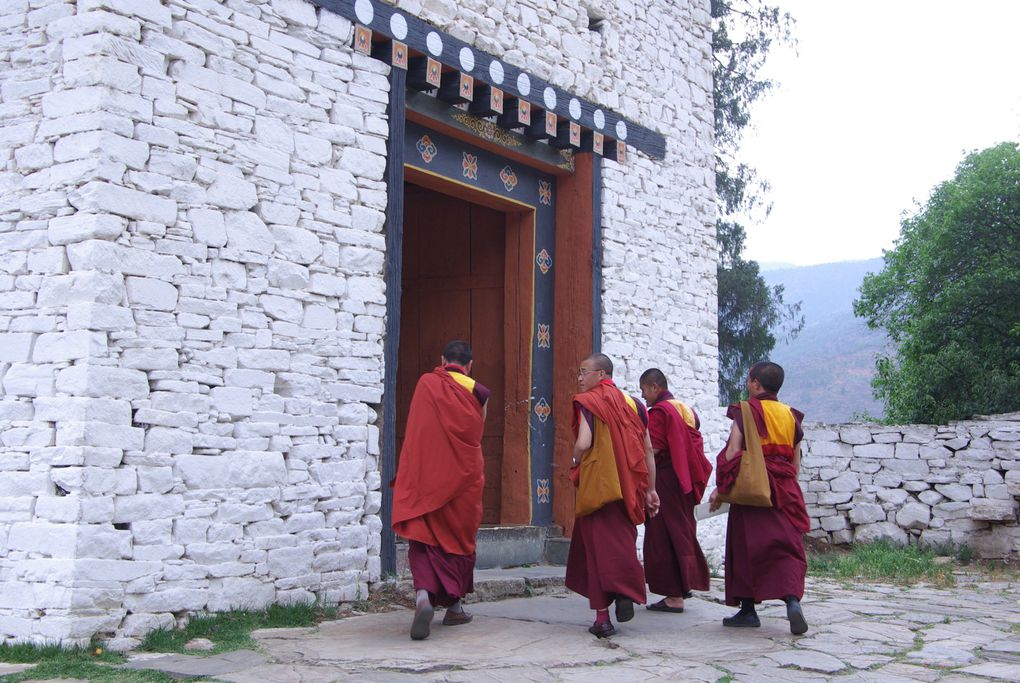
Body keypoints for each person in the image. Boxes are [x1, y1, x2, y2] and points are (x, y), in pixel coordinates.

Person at [391, 340, 489, 640]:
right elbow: (476, 433)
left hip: (427, 479)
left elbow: (418, 431)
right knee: (458, 540)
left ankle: (423, 596)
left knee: (424, 540)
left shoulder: (426, 383)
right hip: (464, 480)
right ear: (469, 365)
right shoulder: (479, 391)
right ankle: (455, 607)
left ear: (442, 360)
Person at [709, 361, 810, 635]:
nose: (747, 384)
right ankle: (791, 600)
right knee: (785, 548)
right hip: (784, 489)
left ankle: (748, 610)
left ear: (755, 383)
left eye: (748, 380)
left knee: (745, 548)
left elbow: (732, 453)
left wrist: (722, 488)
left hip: (753, 490)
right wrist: (787, 489)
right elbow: (796, 463)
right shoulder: (792, 415)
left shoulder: (747, 411)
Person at [565, 353, 660, 638]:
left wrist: (573, 459)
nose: (580, 378)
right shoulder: (636, 405)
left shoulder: (589, 402)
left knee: (597, 552)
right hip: (629, 487)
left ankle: (603, 618)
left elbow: (584, 442)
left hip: (600, 488)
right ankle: (623, 590)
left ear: (602, 375)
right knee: (621, 543)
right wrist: (652, 490)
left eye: (584, 372)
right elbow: (647, 451)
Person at [639, 368, 712, 613]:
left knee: (665, 535)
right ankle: (684, 585)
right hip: (686, 481)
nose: (643, 396)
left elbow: (655, 449)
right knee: (683, 530)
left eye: (644, 390)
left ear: (654, 387)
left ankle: (673, 596)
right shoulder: (686, 409)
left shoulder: (661, 412)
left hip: (666, 480)